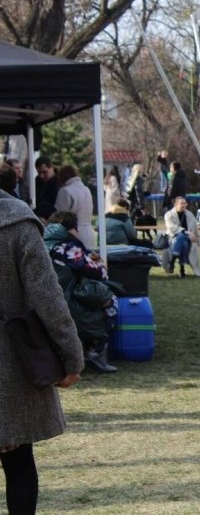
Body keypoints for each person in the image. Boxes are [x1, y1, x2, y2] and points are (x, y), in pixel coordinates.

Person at [0, 190, 84, 515]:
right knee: (19, 461)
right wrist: (71, 357)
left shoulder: (17, 220)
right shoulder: (16, 220)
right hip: (10, 361)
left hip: (11, 359)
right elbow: (48, 297)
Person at [44, 211, 120, 374]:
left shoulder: (39, 243)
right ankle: (96, 351)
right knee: (110, 300)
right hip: (66, 299)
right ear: (71, 229)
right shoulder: (68, 248)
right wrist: (99, 262)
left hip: (40, 299)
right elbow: (99, 274)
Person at [55, 165, 95, 249]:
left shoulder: (65, 191)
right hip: (89, 232)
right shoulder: (86, 189)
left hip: (73, 232)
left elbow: (60, 215)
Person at [164, 196, 200, 278]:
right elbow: (171, 227)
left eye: (185, 203)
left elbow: (196, 230)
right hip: (173, 239)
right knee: (183, 240)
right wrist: (187, 232)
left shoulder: (190, 214)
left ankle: (173, 260)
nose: (184, 205)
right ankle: (182, 269)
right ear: (175, 204)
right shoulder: (168, 215)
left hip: (189, 240)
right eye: (182, 203)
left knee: (184, 240)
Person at [34, 156, 59, 221]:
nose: (41, 176)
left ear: (51, 167)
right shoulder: (37, 181)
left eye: (44, 172)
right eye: (39, 173)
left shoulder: (60, 181)